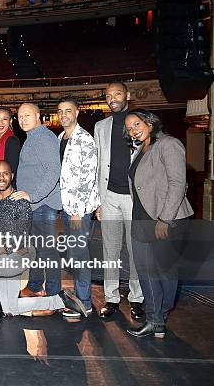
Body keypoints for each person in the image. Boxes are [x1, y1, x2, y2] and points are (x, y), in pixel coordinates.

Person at [0, 161, 88, 339]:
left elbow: (17, 237)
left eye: (5, 173)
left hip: (19, 255)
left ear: (12, 176)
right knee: (10, 308)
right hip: (0, 255)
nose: (1, 177)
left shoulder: (20, 202)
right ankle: (59, 300)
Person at [124, 109, 193, 338]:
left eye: (137, 124)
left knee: (165, 273)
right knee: (145, 272)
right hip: (141, 219)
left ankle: (161, 314)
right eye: (130, 127)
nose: (133, 130)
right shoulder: (140, 149)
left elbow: (177, 183)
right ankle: (154, 319)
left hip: (165, 219)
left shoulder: (169, 144)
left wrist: (165, 218)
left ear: (150, 122)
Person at [94, 82, 144, 320]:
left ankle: (137, 298)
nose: (112, 98)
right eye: (108, 95)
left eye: (117, 94)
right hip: (109, 196)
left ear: (127, 95)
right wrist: (98, 202)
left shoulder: (138, 122)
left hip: (135, 198)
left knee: (136, 251)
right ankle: (111, 297)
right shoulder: (100, 126)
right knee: (110, 251)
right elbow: (96, 166)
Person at [14, 103, 62, 306]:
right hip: (34, 206)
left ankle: (53, 295)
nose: (23, 119)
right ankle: (34, 286)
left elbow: (53, 171)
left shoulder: (44, 137)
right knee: (34, 249)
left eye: (27, 115)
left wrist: (33, 196)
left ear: (38, 115)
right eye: (19, 116)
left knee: (47, 251)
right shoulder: (32, 137)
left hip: (43, 205)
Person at [57, 97, 99, 318]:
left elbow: (87, 178)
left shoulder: (85, 139)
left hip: (78, 210)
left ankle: (85, 302)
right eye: (60, 111)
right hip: (66, 206)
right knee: (74, 254)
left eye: (68, 111)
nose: (63, 115)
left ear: (77, 112)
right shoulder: (60, 137)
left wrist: (77, 211)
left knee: (79, 254)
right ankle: (80, 294)